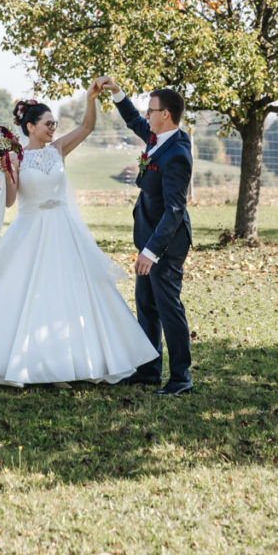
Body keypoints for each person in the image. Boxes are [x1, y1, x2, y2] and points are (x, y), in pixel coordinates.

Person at [0, 81, 157, 387]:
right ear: (30, 127)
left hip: (64, 231)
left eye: (54, 123)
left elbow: (87, 127)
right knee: (31, 296)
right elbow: (8, 202)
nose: (52, 129)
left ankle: (74, 364)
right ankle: (38, 365)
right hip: (30, 232)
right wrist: (6, 172)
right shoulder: (17, 158)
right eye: (47, 124)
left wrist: (90, 99)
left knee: (70, 294)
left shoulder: (58, 149)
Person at [96, 78, 193, 395]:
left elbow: (175, 209)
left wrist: (151, 252)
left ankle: (180, 377)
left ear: (166, 114)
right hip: (148, 237)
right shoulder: (157, 138)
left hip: (166, 244)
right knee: (147, 306)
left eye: (151, 110)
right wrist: (117, 93)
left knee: (168, 307)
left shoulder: (177, 153)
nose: (146, 115)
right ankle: (149, 370)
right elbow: (134, 121)